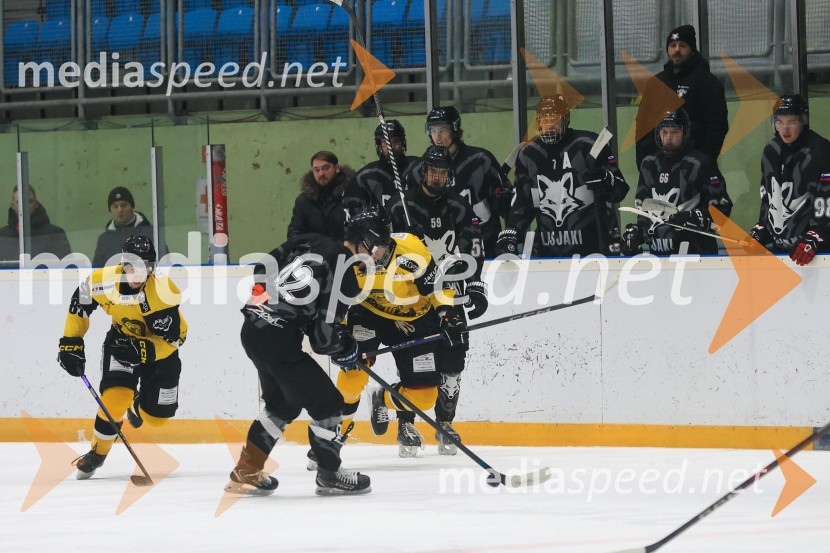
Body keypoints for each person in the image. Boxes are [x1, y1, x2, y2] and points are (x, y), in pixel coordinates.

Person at [227, 232, 371, 496]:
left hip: (252, 330)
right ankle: (329, 474)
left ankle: (248, 469)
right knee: (329, 405)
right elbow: (323, 341)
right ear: (366, 243)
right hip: (279, 344)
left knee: (281, 405)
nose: (377, 256)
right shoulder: (348, 276)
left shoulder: (313, 239)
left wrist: (273, 304)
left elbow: (263, 266)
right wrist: (347, 348)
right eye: (379, 247)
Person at [335, 206, 468, 458]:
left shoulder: (411, 251)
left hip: (414, 319)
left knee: (425, 398)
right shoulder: (346, 259)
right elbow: (335, 302)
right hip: (370, 315)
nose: (380, 252)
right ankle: (334, 434)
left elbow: (437, 287)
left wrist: (447, 316)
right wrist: (338, 333)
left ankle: (381, 398)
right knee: (353, 372)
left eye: (381, 245)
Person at [58, 235, 187, 480]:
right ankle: (97, 453)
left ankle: (137, 406)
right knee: (115, 400)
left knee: (157, 418)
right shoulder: (102, 281)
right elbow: (79, 304)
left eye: (146, 266)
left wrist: (145, 351)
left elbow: (177, 337)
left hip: (161, 350)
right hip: (121, 341)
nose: (139, 273)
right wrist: (71, 343)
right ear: (123, 263)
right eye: (132, 265)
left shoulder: (163, 291)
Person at [387, 145, 487, 455]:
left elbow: (472, 246)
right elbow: (382, 252)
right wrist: (405, 239)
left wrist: (475, 285)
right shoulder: (399, 207)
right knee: (418, 366)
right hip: (412, 297)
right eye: (433, 171)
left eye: (443, 173)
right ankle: (406, 423)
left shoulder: (457, 206)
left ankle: (444, 424)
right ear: (422, 172)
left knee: (453, 364)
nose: (438, 177)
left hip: (449, 292)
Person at [497, 95, 630, 258]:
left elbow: (620, 190)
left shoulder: (589, 144)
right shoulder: (529, 154)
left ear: (566, 119)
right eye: (545, 120)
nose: (550, 125)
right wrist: (512, 232)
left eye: (555, 119)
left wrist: (606, 179)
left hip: (593, 249)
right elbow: (523, 204)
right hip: (547, 252)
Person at [403, 106, 513, 256]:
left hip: (485, 245)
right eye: (433, 130)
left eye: (442, 130)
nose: (437, 137)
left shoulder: (480, 161)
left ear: (455, 129)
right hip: (439, 250)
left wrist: (504, 201)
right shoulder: (418, 170)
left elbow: (507, 208)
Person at [623, 108, 733, 256]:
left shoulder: (700, 163)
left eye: (675, 132)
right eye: (664, 132)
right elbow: (643, 208)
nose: (668, 138)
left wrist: (690, 217)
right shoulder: (649, 164)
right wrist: (638, 232)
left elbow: (722, 207)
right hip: (658, 253)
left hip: (697, 252)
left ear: (685, 133)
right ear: (658, 134)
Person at [746, 94, 830, 265]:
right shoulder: (771, 150)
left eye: (791, 122)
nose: (784, 129)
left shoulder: (820, 152)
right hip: (782, 251)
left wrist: (817, 235)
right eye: (780, 122)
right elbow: (768, 198)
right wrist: (763, 227)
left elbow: (825, 201)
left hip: (818, 253)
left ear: (802, 121)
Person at [635, 25, 729, 168]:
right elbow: (643, 124)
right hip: (659, 167)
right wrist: (643, 162)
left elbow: (717, 126)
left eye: (682, 45)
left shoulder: (707, 82)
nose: (677, 50)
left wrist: (704, 161)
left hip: (694, 165)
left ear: (692, 50)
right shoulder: (655, 83)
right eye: (672, 45)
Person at [342, 120, 419, 217]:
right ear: (379, 146)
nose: (391, 147)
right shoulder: (364, 177)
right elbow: (353, 215)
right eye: (386, 143)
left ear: (403, 142)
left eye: (395, 141)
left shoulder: (418, 168)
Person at [287, 151, 355, 242]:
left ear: (337, 168)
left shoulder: (352, 194)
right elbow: (295, 233)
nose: (321, 174)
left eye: (326, 168)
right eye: (317, 170)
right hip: (316, 254)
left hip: (350, 253)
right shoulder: (304, 201)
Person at [0, 185, 71, 262]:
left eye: (29, 201)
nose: (24, 206)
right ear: (13, 205)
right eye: (19, 202)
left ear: (36, 204)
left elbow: (67, 270)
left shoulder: (55, 234)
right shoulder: (2, 236)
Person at [92, 187, 157, 268]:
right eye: (115, 206)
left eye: (124, 205)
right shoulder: (104, 240)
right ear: (110, 210)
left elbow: (163, 264)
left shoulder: (152, 233)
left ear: (132, 206)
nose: (119, 210)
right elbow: (97, 271)